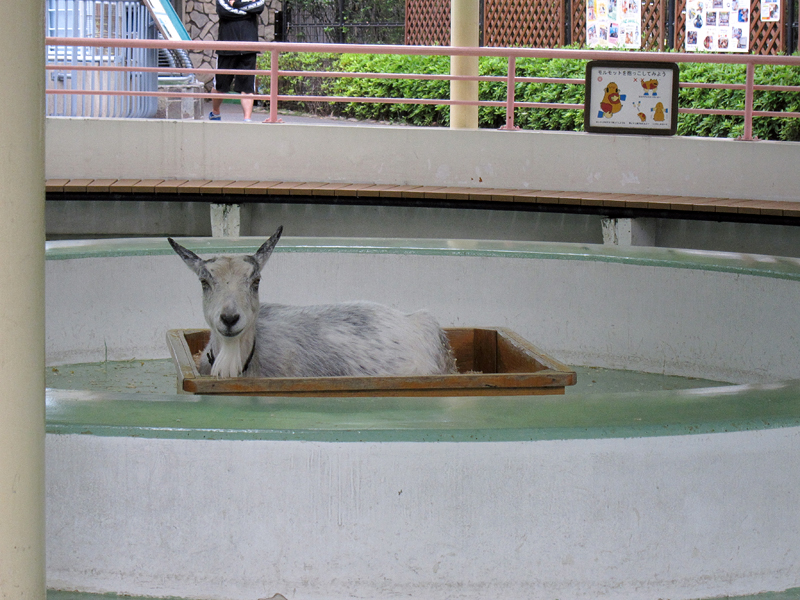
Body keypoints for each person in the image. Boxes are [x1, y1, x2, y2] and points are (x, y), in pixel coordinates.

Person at [208, 0, 265, 122]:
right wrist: (246, 11)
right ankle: (215, 112)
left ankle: (247, 119)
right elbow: (223, 11)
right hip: (226, 48)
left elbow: (259, 6)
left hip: (248, 48)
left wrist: (235, 5)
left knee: (248, 88)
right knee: (219, 86)